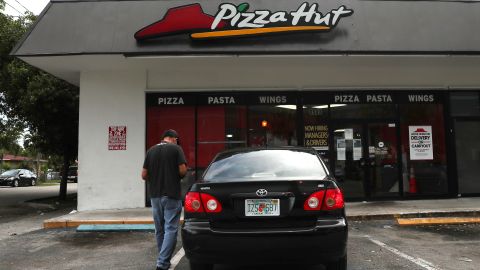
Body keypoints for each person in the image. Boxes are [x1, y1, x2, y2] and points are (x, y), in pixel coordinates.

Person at [142, 129, 187, 270]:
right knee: (171, 228)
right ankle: (162, 263)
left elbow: (143, 175)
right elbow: (182, 170)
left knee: (160, 229)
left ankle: (163, 259)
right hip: (171, 195)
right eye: (177, 140)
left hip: (155, 196)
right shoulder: (176, 149)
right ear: (173, 138)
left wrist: (155, 179)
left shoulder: (151, 150)